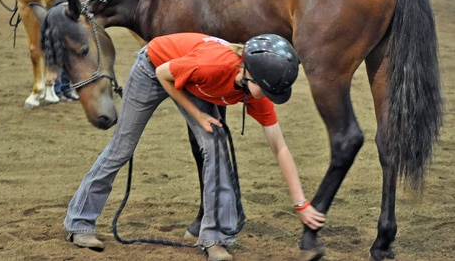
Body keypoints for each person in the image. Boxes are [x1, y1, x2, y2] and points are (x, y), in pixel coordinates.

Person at [63, 32, 326, 261]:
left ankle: (214, 238)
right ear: (250, 75)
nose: (270, 97)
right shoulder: (214, 65)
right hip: (155, 67)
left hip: (194, 80)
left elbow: (279, 146)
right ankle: (79, 223)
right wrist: (198, 115)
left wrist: (301, 203)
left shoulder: (256, 90)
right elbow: (163, 73)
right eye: (269, 90)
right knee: (122, 147)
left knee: (215, 145)